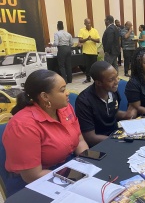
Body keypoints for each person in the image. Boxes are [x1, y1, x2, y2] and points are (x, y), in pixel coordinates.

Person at [3, 69, 88, 197]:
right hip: (33, 183)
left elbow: (79, 140)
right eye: (62, 90)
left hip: (66, 167)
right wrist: (76, 176)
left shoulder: (64, 108)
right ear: (44, 96)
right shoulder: (23, 125)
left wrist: (89, 163)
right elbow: (32, 176)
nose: (68, 93)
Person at [75, 61, 136, 147]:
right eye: (111, 79)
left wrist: (126, 115)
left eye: (117, 77)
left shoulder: (112, 91)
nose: (117, 81)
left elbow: (111, 111)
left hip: (115, 135)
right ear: (98, 83)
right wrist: (118, 139)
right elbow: (90, 137)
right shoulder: (84, 101)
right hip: (99, 144)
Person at [78, 18, 100, 83]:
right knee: (87, 66)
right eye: (87, 23)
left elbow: (98, 40)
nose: (89, 24)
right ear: (85, 24)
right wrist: (87, 39)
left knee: (94, 67)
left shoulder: (95, 30)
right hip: (86, 52)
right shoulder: (81, 30)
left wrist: (91, 39)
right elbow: (80, 40)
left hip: (93, 52)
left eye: (90, 23)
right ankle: (88, 78)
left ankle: (95, 79)